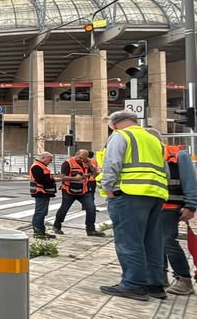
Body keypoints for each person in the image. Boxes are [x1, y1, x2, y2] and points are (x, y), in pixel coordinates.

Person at [99, 111, 169, 301]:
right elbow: (165, 170)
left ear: (114, 124)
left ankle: (133, 284)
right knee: (152, 241)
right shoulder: (154, 140)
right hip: (155, 195)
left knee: (129, 241)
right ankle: (155, 284)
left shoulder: (121, 135)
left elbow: (112, 163)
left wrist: (108, 188)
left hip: (129, 194)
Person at [143, 128, 196, 295]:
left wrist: (190, 206)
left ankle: (183, 279)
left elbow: (190, 182)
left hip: (171, 207)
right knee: (154, 243)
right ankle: (159, 275)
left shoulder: (179, 156)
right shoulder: (147, 157)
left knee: (167, 241)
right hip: (153, 207)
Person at [52, 149, 106, 237]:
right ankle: (57, 226)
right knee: (64, 208)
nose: (81, 160)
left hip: (83, 191)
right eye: (80, 158)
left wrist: (89, 164)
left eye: (84, 159)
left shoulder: (86, 163)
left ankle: (90, 230)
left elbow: (95, 174)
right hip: (69, 190)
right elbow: (62, 177)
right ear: (76, 154)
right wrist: (76, 178)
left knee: (91, 209)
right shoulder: (67, 163)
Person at [29, 151, 58, 239]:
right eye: (50, 160)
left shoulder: (41, 166)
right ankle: (38, 232)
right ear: (43, 158)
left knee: (42, 212)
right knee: (40, 212)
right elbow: (41, 180)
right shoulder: (37, 166)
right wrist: (53, 180)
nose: (50, 162)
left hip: (43, 192)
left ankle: (41, 231)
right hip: (40, 192)